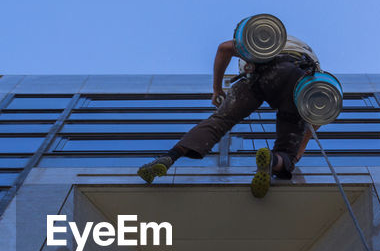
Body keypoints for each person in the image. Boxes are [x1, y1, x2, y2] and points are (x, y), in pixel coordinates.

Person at [137, 33, 320, 198]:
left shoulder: (264, 38)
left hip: (258, 76)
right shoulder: (303, 50)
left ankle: (171, 156)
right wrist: (296, 155)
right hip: (300, 83)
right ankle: (273, 161)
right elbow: (318, 115)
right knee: (286, 152)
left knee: (219, 121)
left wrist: (217, 89)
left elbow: (224, 48)